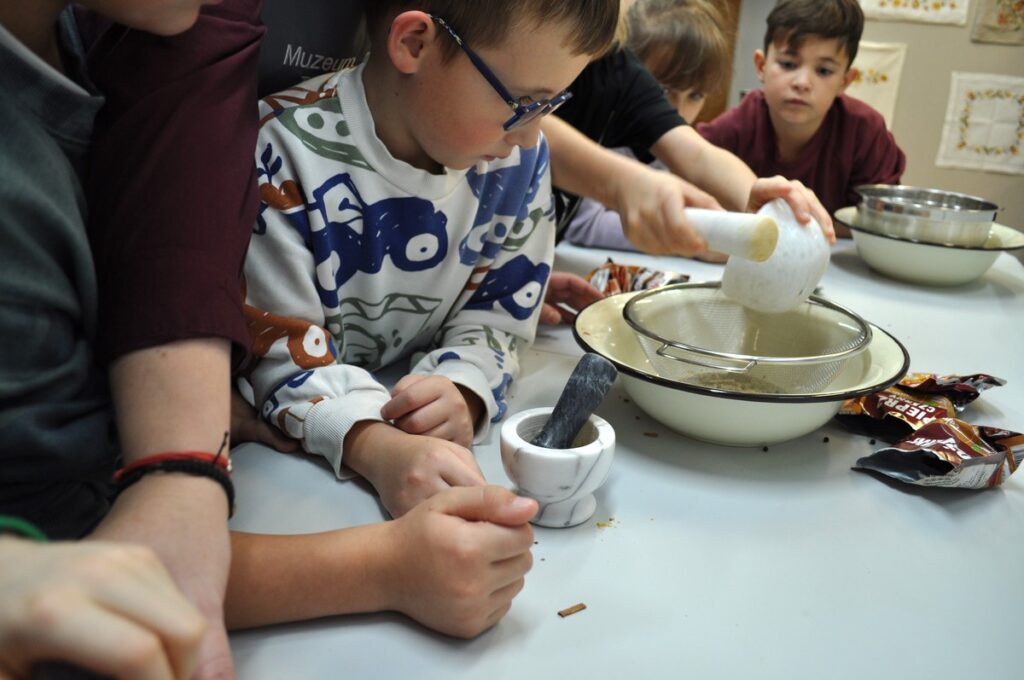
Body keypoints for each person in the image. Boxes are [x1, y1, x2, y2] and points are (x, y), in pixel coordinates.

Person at [243, 0, 621, 518]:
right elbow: (279, 355)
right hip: (287, 485)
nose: (532, 135)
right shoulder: (278, 152)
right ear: (414, 44)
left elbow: (497, 317)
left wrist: (463, 389)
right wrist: (378, 447)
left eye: (550, 106)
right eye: (523, 102)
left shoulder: (519, 160)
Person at [697, 0, 906, 237]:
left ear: (845, 81)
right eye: (788, 64)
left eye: (824, 71)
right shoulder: (730, 130)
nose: (802, 83)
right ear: (761, 66)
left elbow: (880, 222)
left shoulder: (866, 134)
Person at [564, 0, 732, 253]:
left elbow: (703, 161)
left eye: (695, 96)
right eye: (663, 90)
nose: (678, 110)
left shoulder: (680, 150)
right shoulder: (605, 140)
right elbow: (583, 223)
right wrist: (689, 240)